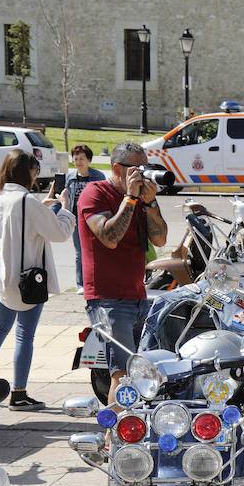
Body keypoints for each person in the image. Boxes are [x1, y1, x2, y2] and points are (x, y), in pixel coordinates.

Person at [0, 150, 75, 409]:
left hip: (4, 273)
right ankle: (19, 393)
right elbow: (58, 232)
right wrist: (65, 207)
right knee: (25, 335)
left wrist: (47, 206)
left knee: (0, 327)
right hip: (28, 280)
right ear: (27, 172)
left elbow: (26, 223)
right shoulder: (27, 201)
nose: (37, 175)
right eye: (35, 171)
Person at [80, 142, 169, 403]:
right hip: (107, 300)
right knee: (123, 375)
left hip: (138, 296)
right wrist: (130, 198)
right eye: (137, 169)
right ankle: (114, 439)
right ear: (117, 169)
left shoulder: (141, 198)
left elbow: (161, 239)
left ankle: (136, 432)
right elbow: (109, 237)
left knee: (144, 371)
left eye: (146, 168)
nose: (143, 174)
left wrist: (150, 204)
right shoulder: (94, 193)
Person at [59, 144, 104, 292]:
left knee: (96, 251)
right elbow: (63, 197)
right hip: (76, 220)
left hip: (94, 219)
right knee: (80, 253)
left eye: (82, 158)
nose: (78, 161)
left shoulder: (98, 177)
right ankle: (81, 284)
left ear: (89, 160)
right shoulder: (70, 178)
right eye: (76, 158)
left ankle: (96, 281)